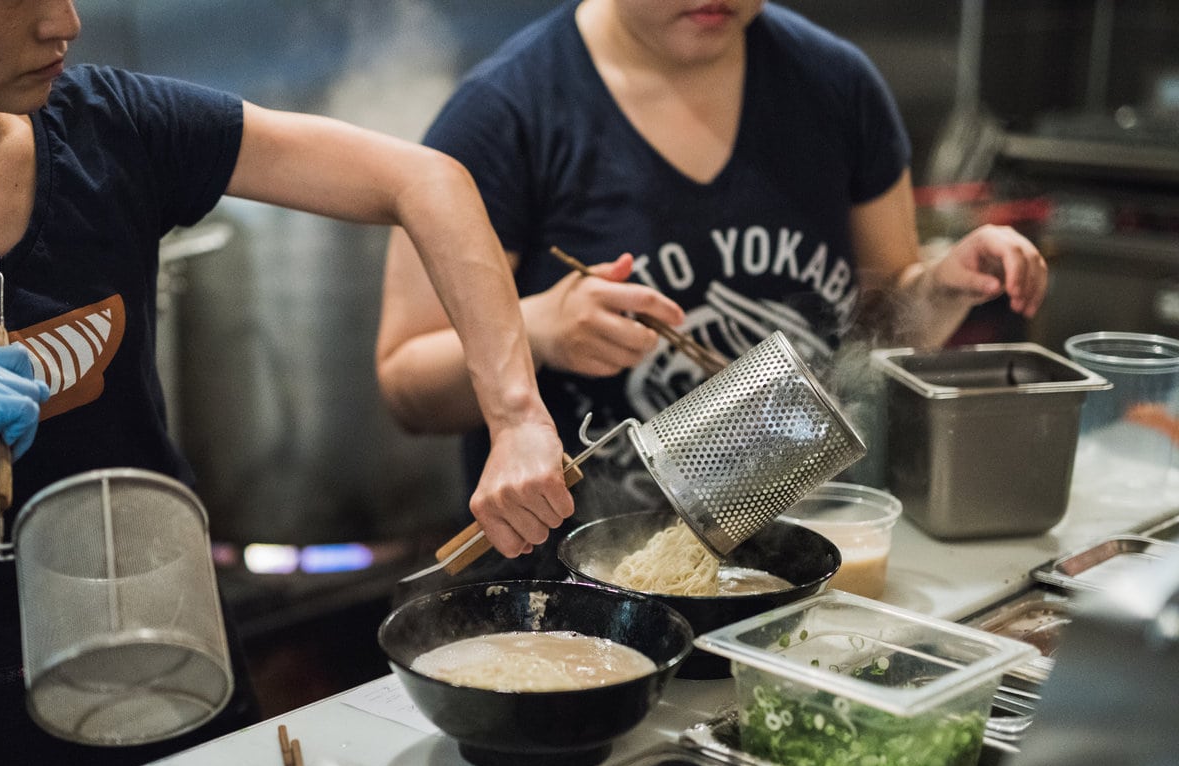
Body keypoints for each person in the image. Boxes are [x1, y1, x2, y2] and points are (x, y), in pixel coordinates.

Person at [0, 0, 575, 766]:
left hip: (179, 661)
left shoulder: (108, 126)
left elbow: (425, 181)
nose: (65, 22)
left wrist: (517, 417)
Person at [377, 0, 1049, 517]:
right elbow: (407, 385)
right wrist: (542, 330)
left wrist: (940, 290)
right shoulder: (504, 115)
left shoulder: (836, 86)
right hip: (586, 587)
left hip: (803, 550)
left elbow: (874, 327)